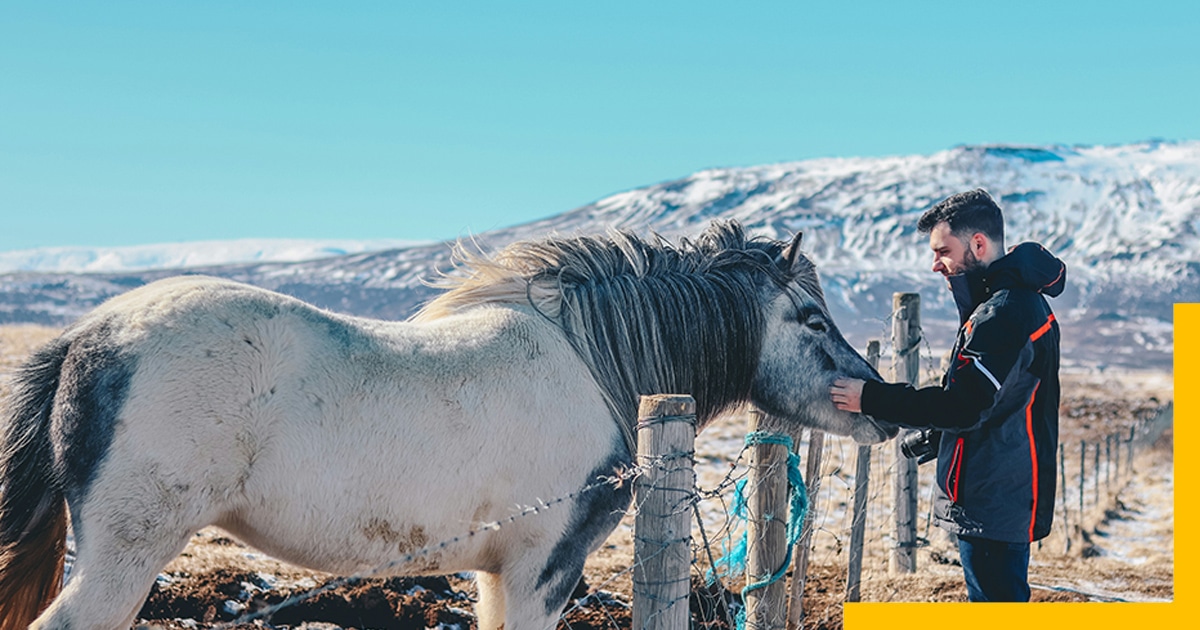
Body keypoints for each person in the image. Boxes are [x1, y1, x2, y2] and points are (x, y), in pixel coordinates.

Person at [829, 188, 1066, 602]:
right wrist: (941, 437)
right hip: (1000, 489)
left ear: (978, 243)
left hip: (994, 499)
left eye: (943, 251)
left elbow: (962, 406)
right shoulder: (1010, 304)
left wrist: (870, 397)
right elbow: (998, 402)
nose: (936, 264)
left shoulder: (1004, 313)